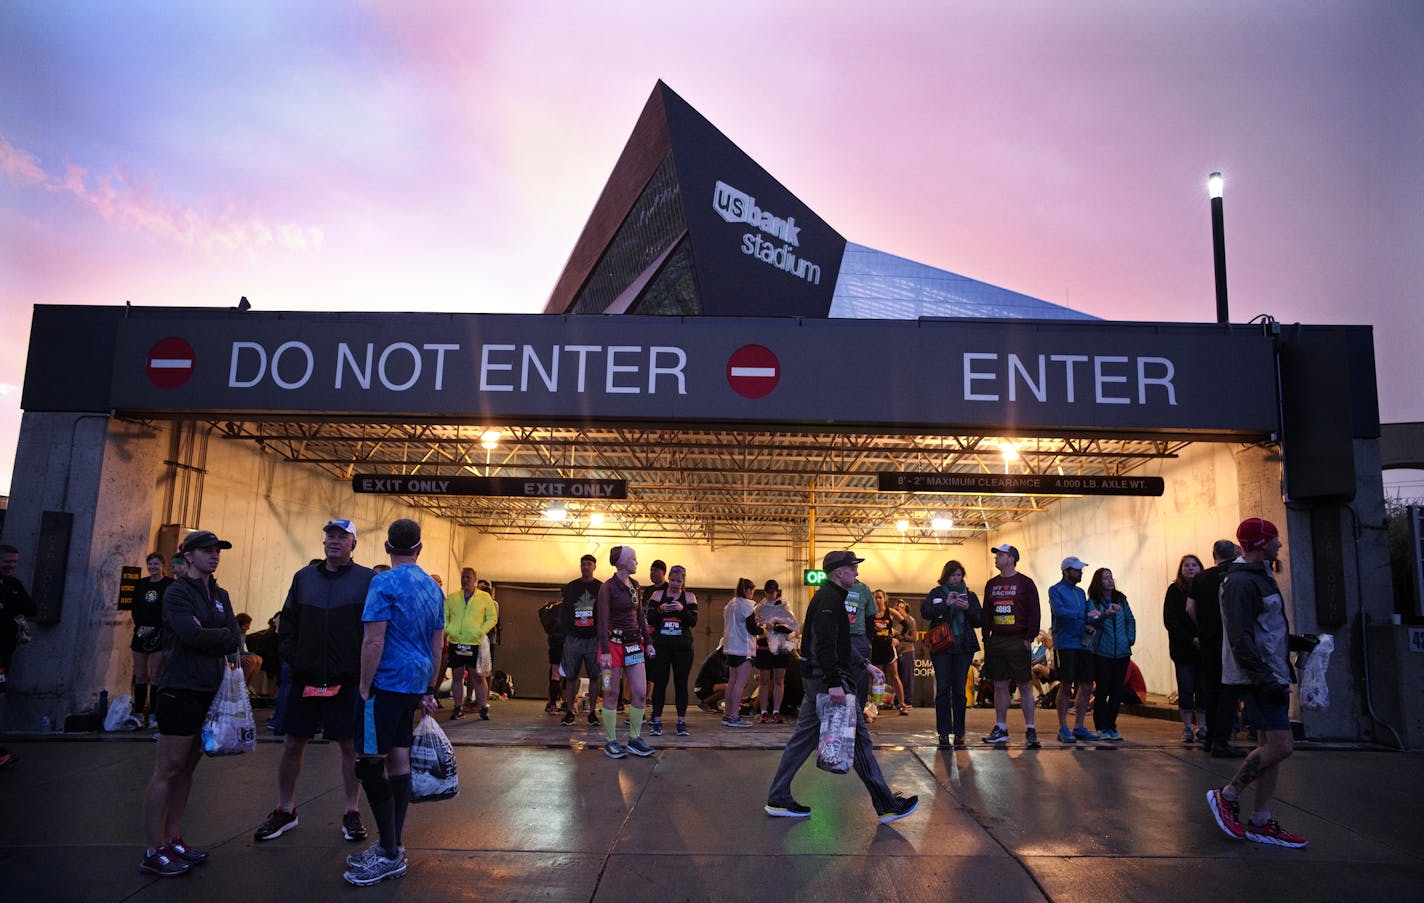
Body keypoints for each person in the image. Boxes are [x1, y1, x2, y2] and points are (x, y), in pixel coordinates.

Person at [765, 550, 918, 824]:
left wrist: (864, 665)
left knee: (803, 739)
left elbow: (840, 642)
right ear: (839, 572)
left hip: (819, 678)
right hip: (826, 679)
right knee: (858, 737)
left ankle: (778, 797)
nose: (857, 573)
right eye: (852, 568)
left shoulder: (833, 596)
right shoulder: (829, 599)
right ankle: (886, 804)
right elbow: (823, 644)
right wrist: (834, 683)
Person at [254, 519, 373, 846]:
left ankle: (352, 811)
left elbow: (375, 628)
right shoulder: (303, 578)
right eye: (330, 536)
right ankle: (285, 809)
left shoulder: (367, 581)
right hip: (306, 677)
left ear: (353, 544)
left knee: (350, 746)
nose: (334, 541)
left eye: (342, 537)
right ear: (324, 543)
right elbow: (287, 621)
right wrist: (294, 657)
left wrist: (360, 668)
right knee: (293, 743)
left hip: (346, 679)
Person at [342, 518, 444, 886]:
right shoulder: (434, 588)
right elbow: (437, 644)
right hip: (414, 684)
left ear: (387, 548)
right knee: (398, 762)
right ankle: (393, 846)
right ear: (419, 548)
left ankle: (388, 852)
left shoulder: (382, 582)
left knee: (369, 766)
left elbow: (373, 640)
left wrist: (364, 687)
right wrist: (429, 688)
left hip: (384, 685)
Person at [139, 530, 242, 877]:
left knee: (187, 770)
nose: (214, 556)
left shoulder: (220, 594)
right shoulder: (176, 593)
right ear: (189, 554)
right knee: (167, 769)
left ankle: (174, 837)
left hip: (209, 691)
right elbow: (191, 634)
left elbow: (233, 636)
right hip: (180, 689)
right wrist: (215, 635)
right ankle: (154, 849)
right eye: (207, 550)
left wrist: (214, 635)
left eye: (217, 551)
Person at [1206, 517, 1312, 849]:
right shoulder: (1240, 583)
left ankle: (1261, 820)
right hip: (1260, 677)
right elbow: (1241, 638)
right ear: (1258, 543)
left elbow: (1264, 631)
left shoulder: (1259, 576)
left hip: (1270, 672)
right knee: (1282, 745)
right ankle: (1227, 795)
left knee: (1271, 749)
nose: (1279, 544)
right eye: (1274, 539)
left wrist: (1296, 643)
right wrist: (1265, 679)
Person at [981, 543, 1041, 748]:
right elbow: (987, 611)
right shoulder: (991, 584)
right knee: (999, 684)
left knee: (1024, 684)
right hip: (996, 640)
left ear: (1012, 558)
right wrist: (986, 637)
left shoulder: (1026, 583)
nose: (996, 558)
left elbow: (1035, 612)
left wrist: (1028, 637)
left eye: (1001, 555)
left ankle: (1031, 729)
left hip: (1018, 639)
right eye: (996, 555)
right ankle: (1001, 727)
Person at [596, 545, 654, 757]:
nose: (636, 563)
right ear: (621, 562)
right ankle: (610, 740)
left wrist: (647, 641)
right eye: (633, 559)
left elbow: (640, 616)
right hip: (611, 646)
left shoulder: (635, 585)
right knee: (610, 691)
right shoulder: (607, 588)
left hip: (633, 645)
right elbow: (601, 621)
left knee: (639, 691)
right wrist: (604, 651)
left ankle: (634, 738)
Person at [921, 559, 983, 749]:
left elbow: (979, 619)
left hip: (963, 647)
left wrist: (968, 609)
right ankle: (943, 732)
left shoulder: (970, 595)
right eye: (953, 575)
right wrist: (946, 605)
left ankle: (959, 732)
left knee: (959, 691)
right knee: (942, 690)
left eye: (959, 575)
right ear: (946, 577)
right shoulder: (936, 593)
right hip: (942, 647)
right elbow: (926, 612)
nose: (956, 579)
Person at [1192, 539, 1246, 757]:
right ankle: (1222, 741)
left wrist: (1203, 628)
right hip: (1230, 640)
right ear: (1234, 553)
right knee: (1229, 691)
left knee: (1211, 689)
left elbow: (1190, 608)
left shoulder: (1201, 578)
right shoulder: (1236, 574)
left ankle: (1210, 738)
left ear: (1213, 554)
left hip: (1208, 641)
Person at [1048, 555, 1100, 744]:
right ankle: (1063, 727)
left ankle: (1079, 726)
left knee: (1086, 684)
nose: (1080, 573)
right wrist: (1084, 614)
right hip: (1065, 644)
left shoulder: (1080, 593)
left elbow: (1085, 615)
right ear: (1066, 571)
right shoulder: (1055, 590)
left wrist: (1096, 615)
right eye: (1077, 570)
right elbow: (1059, 612)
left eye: (1080, 570)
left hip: (1083, 644)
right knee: (1065, 684)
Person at [646, 564, 698, 737]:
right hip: (661, 645)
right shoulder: (657, 595)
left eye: (679, 581)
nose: (675, 584)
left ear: (683, 581)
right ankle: (657, 721)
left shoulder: (689, 597)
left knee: (681, 683)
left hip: (682, 647)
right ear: (668, 579)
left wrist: (682, 610)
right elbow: (649, 619)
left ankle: (681, 721)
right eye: (672, 580)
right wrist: (661, 610)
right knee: (660, 682)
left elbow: (693, 622)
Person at [0, 544, 38, 768]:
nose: (11, 566)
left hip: (6, 650)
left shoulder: (13, 584)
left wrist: (8, 607)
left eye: (14, 562)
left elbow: (31, 607)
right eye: (7, 561)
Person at [1087, 568, 1135, 741]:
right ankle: (1101, 727)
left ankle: (1112, 726)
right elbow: (1091, 620)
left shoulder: (1121, 599)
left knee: (1116, 691)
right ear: (1098, 582)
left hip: (1122, 652)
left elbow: (1130, 619)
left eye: (1110, 577)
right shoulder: (1093, 601)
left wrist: (1129, 638)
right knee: (1102, 690)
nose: (1110, 580)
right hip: (1102, 652)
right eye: (1105, 578)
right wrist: (1106, 614)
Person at [1165, 554, 1207, 743]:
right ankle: (1188, 727)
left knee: (1203, 688)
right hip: (1183, 648)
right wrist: (1191, 639)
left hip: (1204, 647)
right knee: (1186, 687)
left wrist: (1203, 638)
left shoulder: (1205, 588)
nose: (1190, 568)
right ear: (1181, 569)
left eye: (1194, 565)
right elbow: (1170, 620)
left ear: (1200, 568)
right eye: (1186, 565)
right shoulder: (1174, 590)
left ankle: (1203, 726)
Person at [444, 568, 496, 721]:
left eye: (468, 577)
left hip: (475, 643)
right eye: (463, 577)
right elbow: (444, 616)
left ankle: (483, 707)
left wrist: (480, 631)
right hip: (456, 642)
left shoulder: (484, 597)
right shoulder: (452, 598)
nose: (465, 580)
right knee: (457, 676)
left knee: (478, 677)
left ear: (475, 579)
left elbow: (492, 618)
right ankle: (457, 707)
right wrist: (449, 630)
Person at [128, 552, 173, 728]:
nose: (153, 567)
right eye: (150, 564)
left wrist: (154, 628)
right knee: (140, 675)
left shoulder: (169, 585)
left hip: (159, 633)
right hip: (140, 632)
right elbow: (135, 607)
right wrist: (141, 626)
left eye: (156, 564)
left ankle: (154, 712)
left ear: (162, 565)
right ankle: (139, 711)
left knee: (155, 675)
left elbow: (167, 611)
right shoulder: (141, 584)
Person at [558, 553, 603, 727]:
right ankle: (569, 711)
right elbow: (565, 611)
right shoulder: (571, 587)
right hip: (574, 639)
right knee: (570, 676)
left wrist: (602, 634)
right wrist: (567, 633)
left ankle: (592, 712)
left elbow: (605, 611)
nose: (585, 567)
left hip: (594, 639)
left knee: (595, 676)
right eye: (583, 564)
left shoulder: (601, 587)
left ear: (594, 566)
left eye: (589, 564)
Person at [753, 579, 797, 723]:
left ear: (777, 592)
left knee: (779, 679)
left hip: (781, 645)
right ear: (765, 592)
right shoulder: (760, 607)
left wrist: (776, 626)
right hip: (765, 645)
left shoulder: (784, 605)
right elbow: (755, 624)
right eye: (768, 593)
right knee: (764, 680)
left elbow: (792, 625)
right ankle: (764, 711)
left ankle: (776, 711)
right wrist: (762, 625)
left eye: (773, 592)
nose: (771, 595)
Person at [720, 577, 759, 728]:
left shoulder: (730, 604)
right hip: (744, 647)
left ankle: (727, 715)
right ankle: (735, 716)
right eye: (752, 592)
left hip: (730, 647)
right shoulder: (748, 605)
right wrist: (763, 629)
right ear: (749, 590)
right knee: (740, 684)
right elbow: (752, 628)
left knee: (732, 682)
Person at [867, 589, 904, 715]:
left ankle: (902, 704)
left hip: (888, 647)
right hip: (875, 646)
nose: (877, 600)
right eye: (875, 598)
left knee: (894, 675)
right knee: (874, 677)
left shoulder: (890, 612)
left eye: (880, 597)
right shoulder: (870, 613)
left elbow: (906, 624)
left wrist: (898, 638)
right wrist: (872, 628)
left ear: (884, 599)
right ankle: (873, 704)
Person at [537, 596, 565, 714]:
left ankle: (552, 703)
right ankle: (567, 702)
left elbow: (542, 614)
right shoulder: (573, 608)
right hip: (570, 643)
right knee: (569, 674)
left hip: (555, 642)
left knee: (554, 673)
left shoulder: (552, 607)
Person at [890, 601, 917, 711]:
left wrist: (900, 636)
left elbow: (914, 638)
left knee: (907, 678)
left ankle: (907, 701)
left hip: (907, 651)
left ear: (904, 608)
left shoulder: (910, 620)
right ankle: (898, 701)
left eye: (898, 608)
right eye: (895, 608)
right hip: (898, 651)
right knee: (898, 677)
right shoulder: (897, 621)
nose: (897, 610)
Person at [693, 644, 729, 713]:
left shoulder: (723, 658)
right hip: (701, 688)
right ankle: (704, 703)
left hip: (710, 685)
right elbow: (718, 678)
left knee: (731, 687)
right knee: (729, 687)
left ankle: (712, 704)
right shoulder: (715, 658)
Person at [234, 613, 263, 689]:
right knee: (252, 660)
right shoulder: (232, 633)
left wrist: (253, 654)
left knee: (259, 660)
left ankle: (248, 685)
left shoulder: (243, 635)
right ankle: (242, 685)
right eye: (246, 626)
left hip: (238, 654)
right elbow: (230, 650)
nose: (248, 628)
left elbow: (241, 650)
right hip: (231, 655)